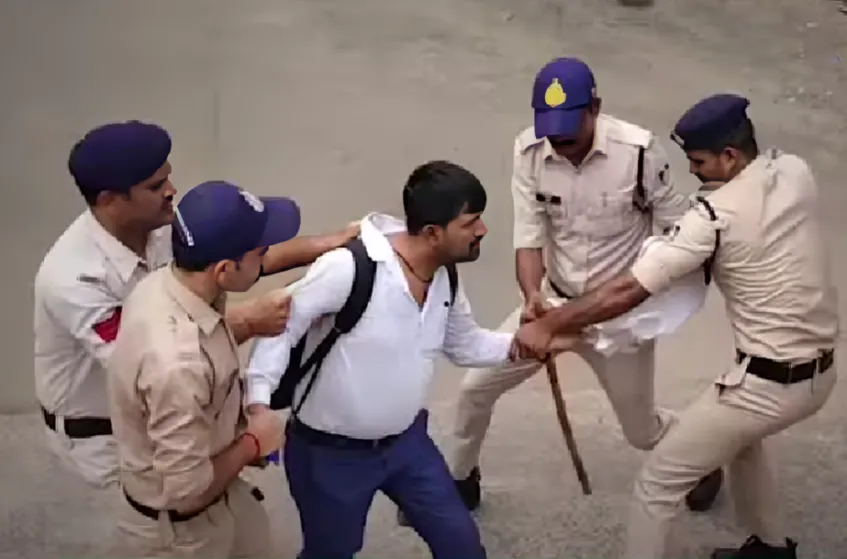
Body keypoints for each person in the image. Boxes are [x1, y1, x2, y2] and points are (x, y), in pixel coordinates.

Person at [514, 93, 838, 559]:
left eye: (700, 161)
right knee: (741, 443)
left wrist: (551, 324)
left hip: (766, 384)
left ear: (729, 156)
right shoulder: (793, 171)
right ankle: (771, 549)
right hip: (820, 374)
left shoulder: (713, 218)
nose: (694, 172)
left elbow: (628, 290)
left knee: (656, 486)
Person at [245, 160, 575, 559]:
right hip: (331, 456)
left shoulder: (444, 275)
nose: (483, 231)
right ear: (433, 234)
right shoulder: (349, 268)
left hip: (407, 446)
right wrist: (259, 406)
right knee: (331, 552)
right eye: (471, 223)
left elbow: (464, 344)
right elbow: (281, 327)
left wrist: (523, 344)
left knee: (462, 547)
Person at [445, 56, 722, 513]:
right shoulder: (528, 150)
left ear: (596, 107)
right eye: (552, 134)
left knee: (642, 432)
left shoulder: (638, 152)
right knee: (476, 389)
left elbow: (676, 228)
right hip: (551, 306)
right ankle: (459, 480)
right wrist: (533, 298)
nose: (561, 145)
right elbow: (528, 236)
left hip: (618, 319)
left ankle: (703, 456)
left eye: (569, 135)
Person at [32, 120, 359, 492]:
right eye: (156, 186)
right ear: (109, 200)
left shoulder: (156, 224)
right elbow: (147, 358)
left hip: (176, 412)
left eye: (168, 177)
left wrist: (327, 244)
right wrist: (250, 321)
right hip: (107, 439)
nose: (171, 191)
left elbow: (241, 258)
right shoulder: (74, 280)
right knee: (170, 529)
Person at [107, 180, 301, 557]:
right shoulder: (178, 364)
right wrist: (255, 442)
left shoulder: (168, 282)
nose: (265, 259)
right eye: (260, 252)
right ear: (225, 269)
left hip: (225, 495)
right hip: (182, 531)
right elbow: (185, 491)